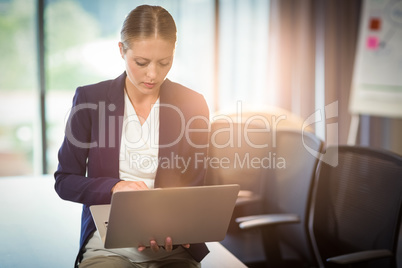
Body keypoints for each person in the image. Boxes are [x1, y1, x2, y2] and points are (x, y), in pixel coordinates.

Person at [54, 5, 210, 268]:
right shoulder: (90, 100)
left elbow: (196, 185)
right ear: (121, 50)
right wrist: (114, 187)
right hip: (109, 245)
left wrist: (179, 223)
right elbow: (65, 181)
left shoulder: (192, 104)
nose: (153, 74)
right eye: (141, 62)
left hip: (172, 246)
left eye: (164, 63)